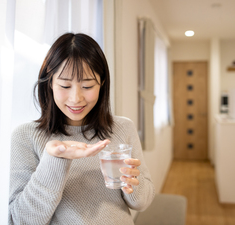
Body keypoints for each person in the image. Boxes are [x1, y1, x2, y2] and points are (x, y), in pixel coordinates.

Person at [8, 33, 155, 225]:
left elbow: (141, 203)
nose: (76, 98)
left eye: (87, 85)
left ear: (102, 83)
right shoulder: (25, 136)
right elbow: (23, 220)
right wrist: (55, 160)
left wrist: (132, 185)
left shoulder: (123, 128)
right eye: (65, 85)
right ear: (50, 83)